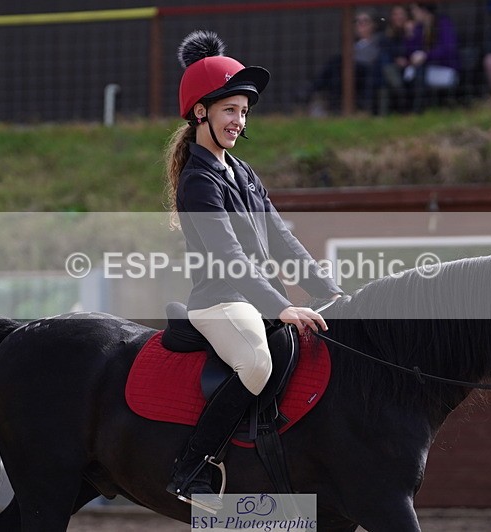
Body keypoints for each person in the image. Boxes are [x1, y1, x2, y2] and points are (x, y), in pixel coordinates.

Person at [164, 30, 344, 512]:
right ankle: (194, 467)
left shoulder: (242, 174)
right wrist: (282, 305)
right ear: (201, 111)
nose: (238, 121)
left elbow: (283, 241)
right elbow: (228, 256)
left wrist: (331, 292)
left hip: (256, 299)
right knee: (257, 362)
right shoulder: (198, 181)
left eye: (244, 112)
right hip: (220, 302)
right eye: (229, 110)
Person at [303, 8, 383, 114]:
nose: (360, 25)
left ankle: (312, 88)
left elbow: (373, 59)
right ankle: (332, 104)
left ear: (373, 25)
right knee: (336, 71)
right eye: (357, 22)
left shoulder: (378, 41)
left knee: (337, 61)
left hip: (367, 71)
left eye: (364, 22)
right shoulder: (354, 44)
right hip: (350, 71)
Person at [402, 2, 460, 113]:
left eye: (414, 10)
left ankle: (418, 110)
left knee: (418, 72)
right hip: (425, 69)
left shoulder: (443, 24)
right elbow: (411, 53)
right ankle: (412, 109)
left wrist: (426, 56)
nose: (413, 13)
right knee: (409, 73)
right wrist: (410, 35)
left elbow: (448, 49)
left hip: (445, 68)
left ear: (423, 10)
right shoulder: (419, 28)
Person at [377, 4, 413, 113]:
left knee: (384, 71)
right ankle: (399, 91)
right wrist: (396, 59)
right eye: (395, 14)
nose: (398, 17)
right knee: (383, 66)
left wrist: (410, 34)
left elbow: (415, 49)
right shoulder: (386, 35)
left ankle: (400, 93)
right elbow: (386, 50)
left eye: (401, 14)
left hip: (410, 65)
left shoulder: (414, 31)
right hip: (392, 67)